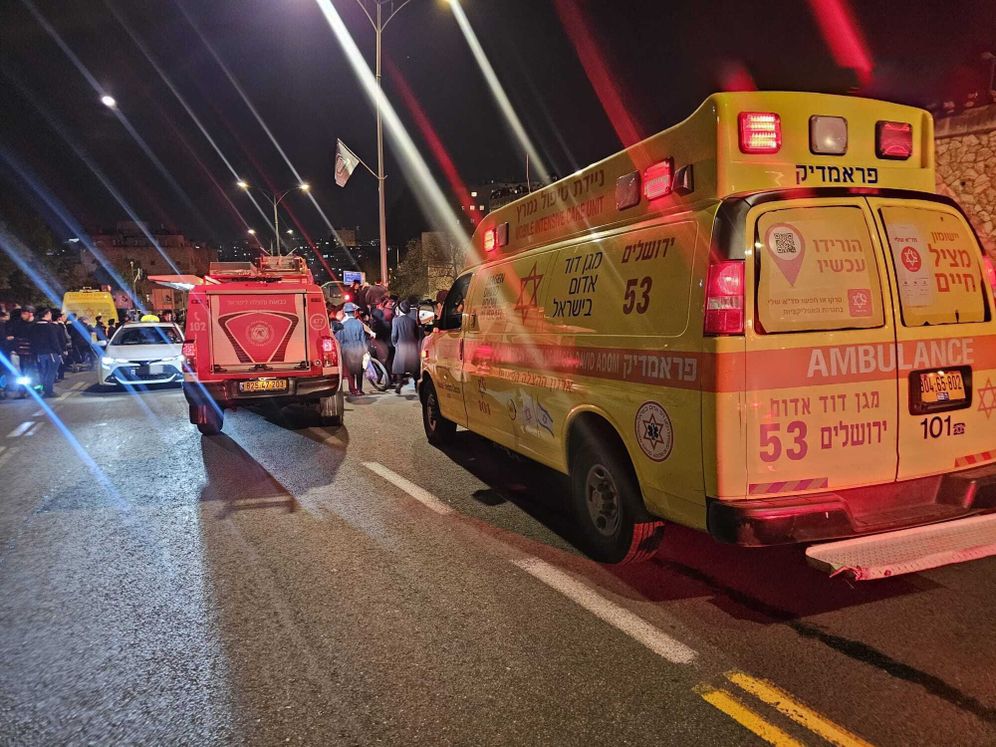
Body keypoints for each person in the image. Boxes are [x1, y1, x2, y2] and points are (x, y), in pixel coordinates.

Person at [334, 302, 369, 396]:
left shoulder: (342, 324)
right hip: (358, 349)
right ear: (353, 312)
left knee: (349, 371)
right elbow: (363, 339)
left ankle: (352, 389)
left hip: (347, 350)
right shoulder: (359, 324)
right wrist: (365, 350)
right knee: (359, 370)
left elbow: (339, 340)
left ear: (345, 313)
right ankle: (360, 389)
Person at [29, 307, 63, 397]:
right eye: (50, 314)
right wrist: (60, 352)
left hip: (39, 354)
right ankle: (49, 391)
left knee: (42, 372)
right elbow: (54, 341)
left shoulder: (34, 327)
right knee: (50, 373)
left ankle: (41, 389)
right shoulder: (49, 327)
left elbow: (32, 341)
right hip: (50, 353)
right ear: (46, 315)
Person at [391, 299, 421, 395]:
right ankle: (417, 385)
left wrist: (395, 344)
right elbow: (417, 335)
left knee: (400, 367)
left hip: (401, 345)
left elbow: (394, 335)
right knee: (414, 368)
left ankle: (399, 384)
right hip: (412, 346)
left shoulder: (396, 321)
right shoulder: (412, 321)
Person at [52, 311, 72, 381]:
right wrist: (65, 348)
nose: (64, 318)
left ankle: (57, 376)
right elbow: (63, 337)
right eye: (63, 317)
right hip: (61, 347)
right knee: (61, 362)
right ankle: (60, 376)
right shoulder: (60, 326)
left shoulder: (51, 325)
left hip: (54, 347)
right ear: (59, 318)